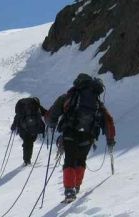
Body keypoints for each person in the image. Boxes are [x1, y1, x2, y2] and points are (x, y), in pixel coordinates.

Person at [48, 74, 116, 202]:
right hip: (88, 135)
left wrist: (51, 122)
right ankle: (77, 186)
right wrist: (110, 139)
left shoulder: (70, 97)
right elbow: (108, 121)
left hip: (70, 133)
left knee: (69, 160)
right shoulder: (97, 103)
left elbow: (54, 111)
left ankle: (69, 191)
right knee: (81, 160)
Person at [10, 97, 48, 166]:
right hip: (34, 128)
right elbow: (45, 113)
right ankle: (27, 160)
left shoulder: (21, 107)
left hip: (23, 129)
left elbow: (17, 117)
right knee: (30, 142)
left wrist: (13, 126)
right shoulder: (36, 105)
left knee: (27, 142)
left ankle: (26, 160)